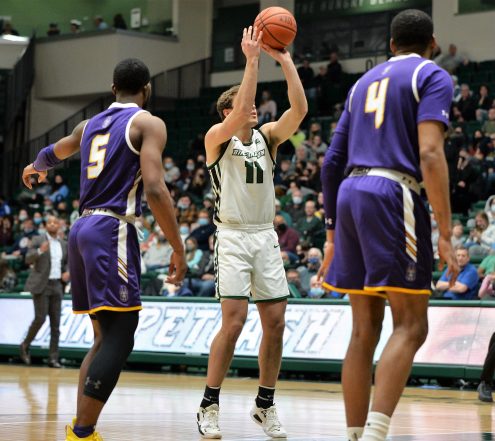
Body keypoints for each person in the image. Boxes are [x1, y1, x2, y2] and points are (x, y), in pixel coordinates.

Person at [21, 58, 187, 441]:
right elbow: (155, 187)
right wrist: (177, 247)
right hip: (112, 227)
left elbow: (55, 152)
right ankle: (82, 432)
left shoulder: (87, 125)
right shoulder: (147, 123)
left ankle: (80, 429)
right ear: (147, 89)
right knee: (122, 332)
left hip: (80, 229)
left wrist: (34, 165)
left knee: (103, 336)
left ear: (113, 89)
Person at [317, 10, 458, 441]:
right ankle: (377, 435)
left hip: (349, 194)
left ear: (391, 44)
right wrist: (446, 232)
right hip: (392, 192)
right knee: (412, 324)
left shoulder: (361, 83)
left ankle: (355, 435)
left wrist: (330, 235)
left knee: (364, 329)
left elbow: (330, 162)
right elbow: (430, 153)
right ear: (432, 43)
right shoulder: (432, 74)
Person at [196, 25, 307, 439]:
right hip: (232, 237)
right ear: (226, 113)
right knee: (235, 321)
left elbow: (299, 110)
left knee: (275, 322)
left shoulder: (268, 138)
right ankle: (209, 404)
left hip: (264, 235)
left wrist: (286, 61)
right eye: (243, 106)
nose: (253, 109)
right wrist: (252, 60)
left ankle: (265, 403)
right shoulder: (216, 139)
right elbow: (242, 109)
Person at [19, 215, 69, 368]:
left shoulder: (64, 244)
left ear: (59, 226)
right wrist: (40, 250)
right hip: (42, 285)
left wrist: (67, 272)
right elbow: (27, 259)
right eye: (50, 222)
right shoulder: (37, 240)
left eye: (55, 222)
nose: (53, 224)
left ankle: (53, 358)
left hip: (57, 285)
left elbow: (67, 263)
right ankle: (25, 345)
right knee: (40, 318)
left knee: (56, 324)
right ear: (46, 225)